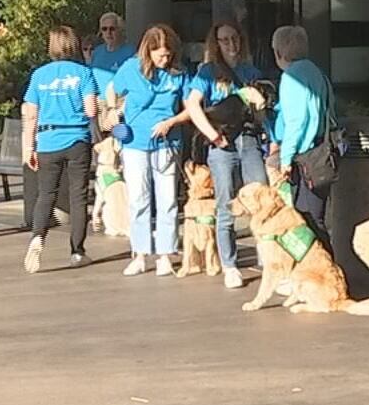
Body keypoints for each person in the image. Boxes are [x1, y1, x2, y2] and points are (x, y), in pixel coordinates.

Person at [184, 20, 268, 290]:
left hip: (249, 138)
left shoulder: (250, 70)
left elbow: (260, 113)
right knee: (225, 201)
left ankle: (267, 260)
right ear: (216, 44)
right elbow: (193, 104)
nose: (232, 44)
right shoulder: (208, 72)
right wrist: (212, 135)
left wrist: (263, 110)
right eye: (225, 40)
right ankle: (230, 264)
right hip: (222, 144)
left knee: (262, 196)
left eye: (235, 39)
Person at [111, 23, 193, 277]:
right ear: (148, 51)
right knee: (138, 199)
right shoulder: (130, 68)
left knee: (167, 199)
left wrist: (171, 122)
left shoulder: (179, 73)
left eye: (168, 55)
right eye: (159, 55)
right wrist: (114, 112)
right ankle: (140, 253)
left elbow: (192, 107)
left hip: (168, 141)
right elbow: (112, 89)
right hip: (134, 141)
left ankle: (166, 254)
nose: (164, 59)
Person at [20, 26, 99, 273]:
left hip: (47, 139)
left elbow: (31, 114)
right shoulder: (84, 73)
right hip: (76, 138)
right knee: (78, 196)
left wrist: (28, 147)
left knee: (46, 194)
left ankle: (37, 237)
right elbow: (91, 111)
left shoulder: (39, 75)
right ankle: (77, 250)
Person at [270, 24, 336, 240]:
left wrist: (286, 159)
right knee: (317, 216)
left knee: (308, 221)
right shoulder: (317, 73)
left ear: (279, 52)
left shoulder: (291, 77)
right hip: (322, 154)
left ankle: (323, 270)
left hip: (306, 158)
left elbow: (296, 122)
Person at [88, 12, 130, 100]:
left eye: (112, 29)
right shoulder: (97, 52)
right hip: (99, 102)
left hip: (120, 102)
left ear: (120, 30)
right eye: (104, 29)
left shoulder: (131, 53)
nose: (108, 32)